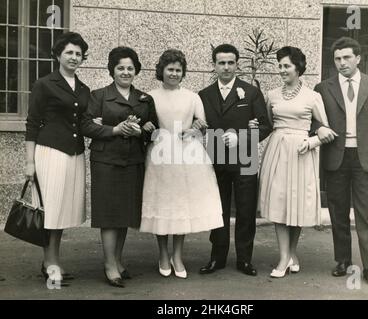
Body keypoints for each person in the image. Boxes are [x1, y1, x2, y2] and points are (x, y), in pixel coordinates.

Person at [314, 37, 368, 288]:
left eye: (347, 57)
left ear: (358, 58)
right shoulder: (323, 88)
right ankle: (343, 261)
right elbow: (314, 119)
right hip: (336, 157)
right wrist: (318, 130)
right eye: (337, 58)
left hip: (367, 158)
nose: (342, 63)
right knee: (338, 214)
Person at [250, 46, 334, 278]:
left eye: (286, 65)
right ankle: (285, 256)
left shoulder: (312, 97)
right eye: (280, 66)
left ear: (298, 68)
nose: (282, 70)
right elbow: (267, 123)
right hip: (277, 150)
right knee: (279, 202)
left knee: (295, 205)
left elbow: (324, 129)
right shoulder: (273, 95)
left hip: (301, 152)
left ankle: (289, 255)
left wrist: (312, 143)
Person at [140, 49, 223, 279]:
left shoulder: (192, 97)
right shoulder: (150, 96)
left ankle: (177, 255)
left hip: (187, 153)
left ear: (183, 72)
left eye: (178, 70)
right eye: (170, 69)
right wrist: (148, 128)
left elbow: (202, 122)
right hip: (160, 154)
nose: (174, 74)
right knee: (162, 203)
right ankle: (163, 254)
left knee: (181, 205)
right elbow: (146, 124)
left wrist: (197, 126)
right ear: (162, 71)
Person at [81, 46, 158, 288]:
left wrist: (145, 130)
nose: (125, 72)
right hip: (106, 161)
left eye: (130, 68)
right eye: (120, 68)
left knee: (124, 213)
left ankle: (118, 260)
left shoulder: (144, 99)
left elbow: (152, 128)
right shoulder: (99, 96)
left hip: (133, 160)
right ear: (112, 70)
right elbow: (86, 126)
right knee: (109, 214)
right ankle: (109, 264)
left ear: (136, 71)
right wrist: (115, 129)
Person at [197, 44, 272, 276]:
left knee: (246, 210)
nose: (226, 67)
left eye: (231, 62)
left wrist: (242, 137)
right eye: (221, 63)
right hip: (216, 158)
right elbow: (200, 126)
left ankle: (244, 259)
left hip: (245, 157)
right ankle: (217, 257)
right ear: (214, 65)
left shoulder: (250, 92)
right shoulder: (204, 95)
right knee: (216, 209)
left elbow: (265, 126)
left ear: (237, 64)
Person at [25, 32, 90, 286]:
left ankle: (52, 260)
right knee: (49, 210)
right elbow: (32, 123)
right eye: (69, 53)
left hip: (75, 153)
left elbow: (82, 119)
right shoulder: (45, 84)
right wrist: (29, 162)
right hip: (50, 152)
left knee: (62, 210)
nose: (74, 57)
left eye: (78, 54)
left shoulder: (83, 88)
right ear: (58, 55)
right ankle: (50, 263)